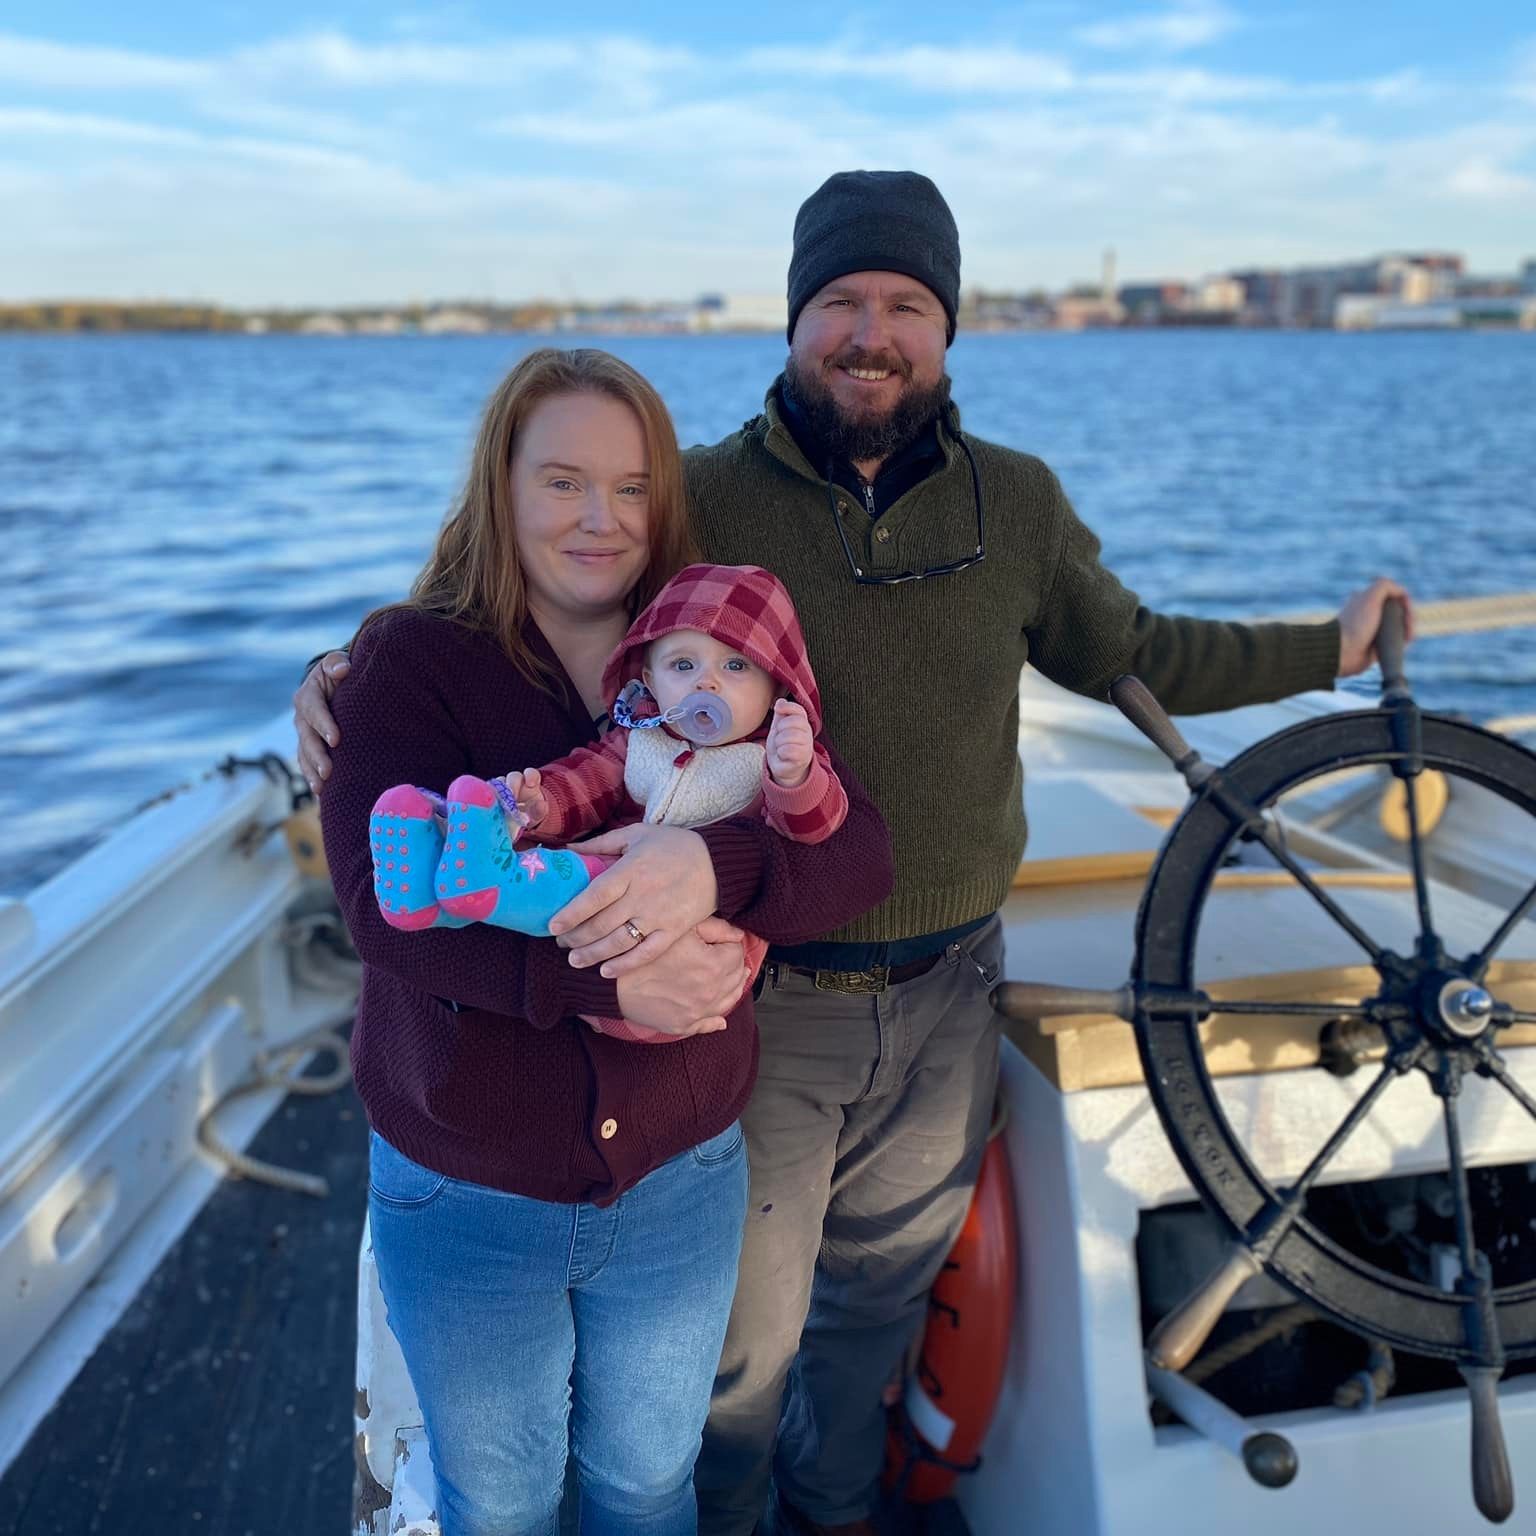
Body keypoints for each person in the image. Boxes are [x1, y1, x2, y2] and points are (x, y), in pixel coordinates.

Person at [298, 172, 1412, 1536]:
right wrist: (341, 676)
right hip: (762, 994)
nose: (869, 332)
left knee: (873, 1315)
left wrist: (1334, 652)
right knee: (732, 1366)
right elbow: (512, 594)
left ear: (947, 329)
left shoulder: (1019, 504)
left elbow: (1139, 654)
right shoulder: (697, 503)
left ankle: (836, 1519)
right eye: (839, 301)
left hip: (950, 995)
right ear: (793, 323)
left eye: (903, 303)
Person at [319, 346, 893, 1536]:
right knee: (506, 1501)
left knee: (647, 1486)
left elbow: (852, 854)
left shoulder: (714, 650)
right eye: (564, 482)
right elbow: (383, 916)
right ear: (502, 487)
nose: (601, 519)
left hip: (680, 1178)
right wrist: (601, 979)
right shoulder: (406, 664)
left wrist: (712, 867)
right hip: (473, 1183)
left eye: (631, 488)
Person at [369, 560, 848, 1043]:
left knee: (596, 874)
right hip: (611, 958)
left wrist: (796, 776)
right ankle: (434, 889)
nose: (707, 683)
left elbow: (815, 827)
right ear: (651, 683)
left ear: (776, 687)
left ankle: (486, 882)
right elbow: (585, 782)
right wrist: (539, 804)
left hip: (697, 962)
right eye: (684, 665)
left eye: (736, 665)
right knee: (562, 857)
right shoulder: (640, 742)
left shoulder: (775, 757)